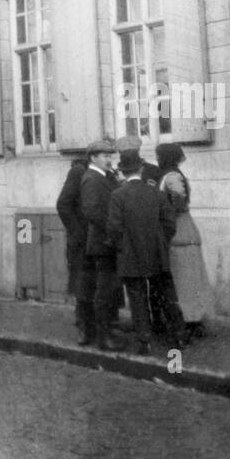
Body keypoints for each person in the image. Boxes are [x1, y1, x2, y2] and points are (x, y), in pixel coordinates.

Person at [106, 149, 177, 353]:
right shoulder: (157, 192)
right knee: (164, 294)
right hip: (156, 252)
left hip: (130, 254)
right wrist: (161, 242)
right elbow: (170, 223)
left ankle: (143, 340)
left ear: (123, 172)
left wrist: (121, 247)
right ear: (141, 168)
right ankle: (176, 336)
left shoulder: (118, 195)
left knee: (137, 297)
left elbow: (114, 228)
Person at [156, 143, 212, 341]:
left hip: (178, 228)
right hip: (184, 227)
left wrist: (161, 212)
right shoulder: (174, 174)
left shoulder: (171, 176)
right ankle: (193, 320)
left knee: (183, 277)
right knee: (188, 276)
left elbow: (178, 204)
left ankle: (190, 320)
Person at [77, 138, 124, 350]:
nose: (109, 160)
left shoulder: (106, 176)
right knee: (104, 290)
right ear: (94, 157)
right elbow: (92, 211)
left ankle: (106, 330)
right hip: (102, 242)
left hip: (109, 242)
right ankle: (103, 337)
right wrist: (113, 229)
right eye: (105, 156)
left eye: (111, 156)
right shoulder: (91, 178)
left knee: (110, 289)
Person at [56, 151, 88, 321]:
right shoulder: (78, 171)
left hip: (94, 239)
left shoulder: (103, 171)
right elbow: (63, 204)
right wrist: (77, 232)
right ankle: (83, 324)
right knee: (81, 282)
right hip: (82, 239)